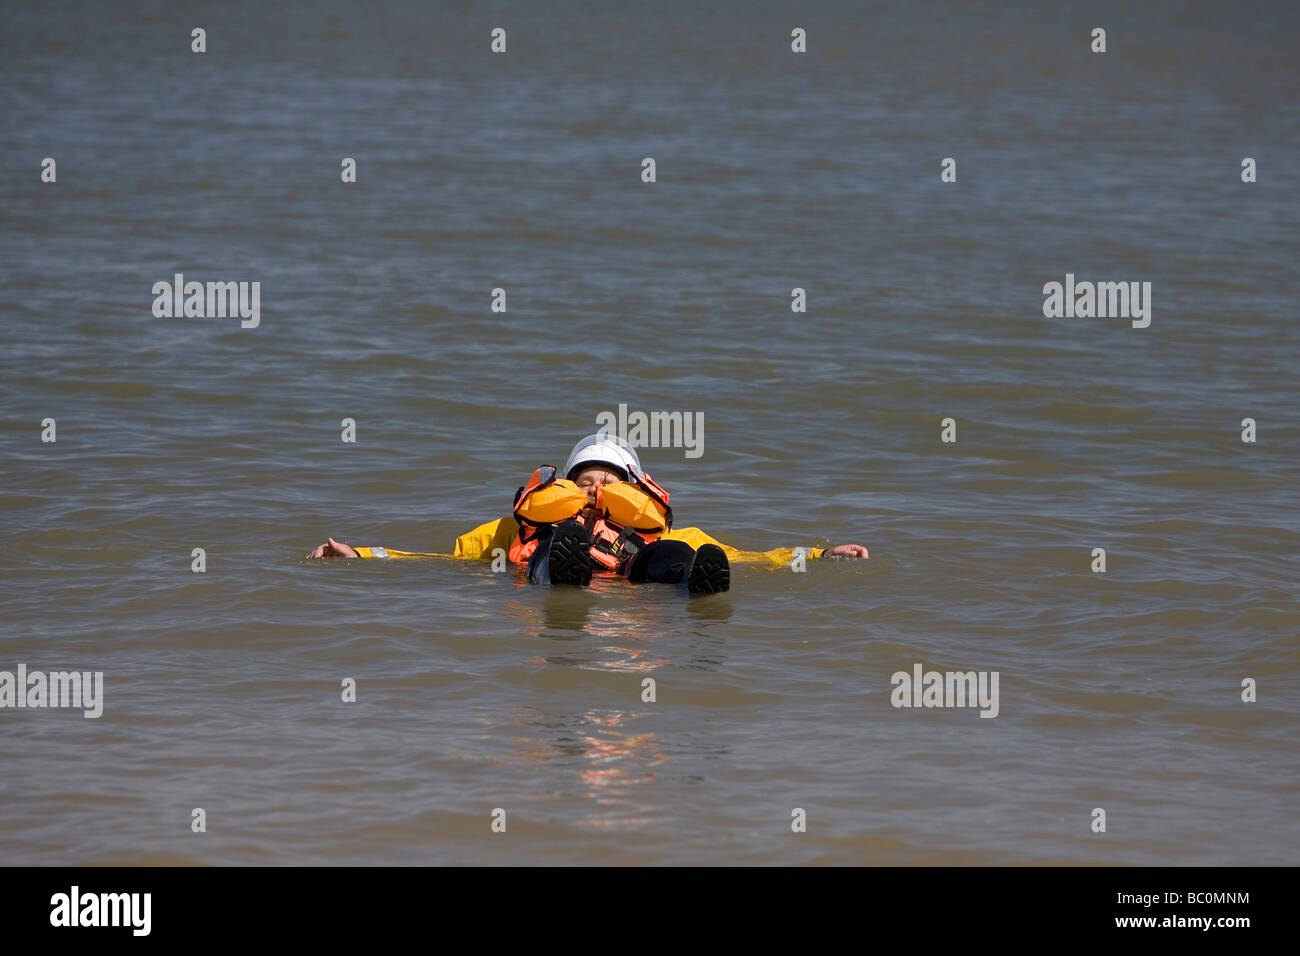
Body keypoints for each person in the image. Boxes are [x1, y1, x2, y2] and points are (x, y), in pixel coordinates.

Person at [307, 434, 869, 593]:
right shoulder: (513, 531)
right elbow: (437, 559)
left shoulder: (669, 530)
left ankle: (693, 586)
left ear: (632, 489)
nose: (596, 488)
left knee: (680, 554)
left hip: (632, 581)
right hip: (553, 569)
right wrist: (361, 554)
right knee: (555, 550)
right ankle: (565, 570)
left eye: (609, 480)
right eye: (586, 479)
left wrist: (819, 553)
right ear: (568, 484)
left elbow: (754, 557)